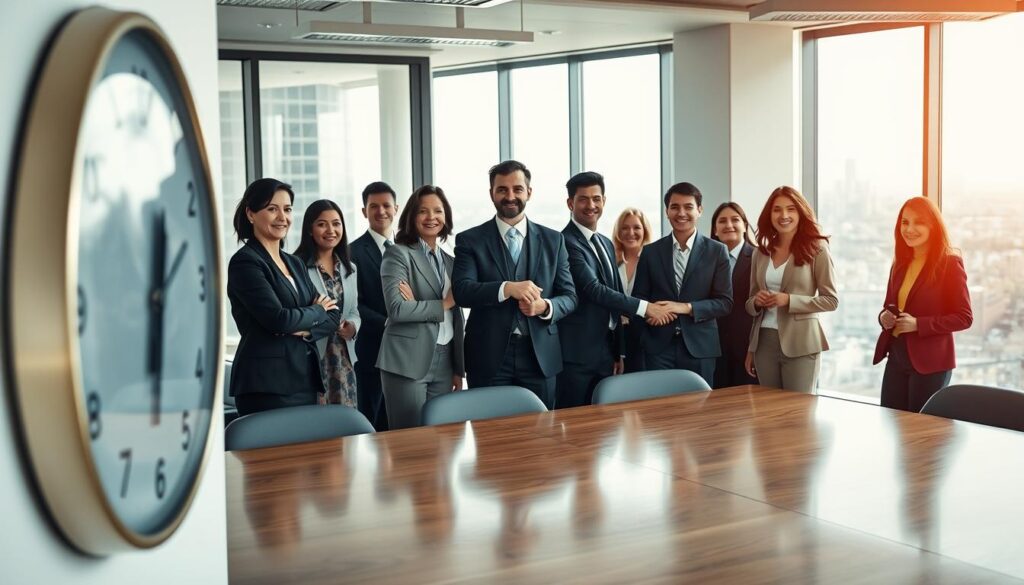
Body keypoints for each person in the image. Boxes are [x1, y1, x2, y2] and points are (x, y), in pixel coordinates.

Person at [452, 160, 577, 409]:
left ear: (529, 192)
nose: (510, 196)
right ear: (492, 194)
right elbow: (462, 291)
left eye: (517, 189)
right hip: (487, 356)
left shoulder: (555, 240)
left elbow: (570, 297)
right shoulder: (470, 240)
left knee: (541, 437)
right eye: (502, 190)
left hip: (540, 357)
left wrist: (545, 307)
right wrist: (506, 288)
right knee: (489, 436)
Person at [557, 172, 673, 408]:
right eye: (583, 199)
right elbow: (594, 289)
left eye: (596, 198)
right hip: (577, 355)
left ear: (604, 201)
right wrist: (646, 308)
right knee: (574, 426)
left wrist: (618, 351)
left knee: (603, 427)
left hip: (605, 352)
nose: (591, 205)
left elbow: (614, 297)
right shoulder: (564, 242)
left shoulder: (605, 243)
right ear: (570, 203)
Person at [226, 178, 340, 415]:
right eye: (272, 209)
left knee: (305, 451)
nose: (282, 217)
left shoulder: (295, 263)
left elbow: (334, 315)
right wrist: (316, 312)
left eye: (287, 209)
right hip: (265, 384)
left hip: (303, 378)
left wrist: (307, 328)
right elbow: (278, 319)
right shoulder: (246, 262)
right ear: (251, 213)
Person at [376, 185, 466, 429]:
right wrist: (444, 303)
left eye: (438, 211)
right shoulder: (398, 254)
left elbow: (456, 318)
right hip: (407, 359)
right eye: (423, 211)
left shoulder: (451, 261)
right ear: (411, 216)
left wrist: (459, 368)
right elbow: (397, 309)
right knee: (410, 439)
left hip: (445, 359)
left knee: (443, 437)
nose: (431, 217)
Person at [873, 197, 972, 412]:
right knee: (890, 423)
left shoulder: (949, 264)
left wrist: (919, 324)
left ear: (933, 226)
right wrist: (884, 317)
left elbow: (964, 317)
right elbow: (888, 306)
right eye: (905, 222)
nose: (909, 229)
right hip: (897, 356)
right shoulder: (899, 263)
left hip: (930, 361)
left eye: (918, 222)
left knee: (920, 432)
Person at [632, 182, 733, 387]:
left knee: (699, 412)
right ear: (667, 211)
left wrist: (686, 308)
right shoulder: (650, 252)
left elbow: (725, 302)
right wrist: (649, 314)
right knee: (660, 411)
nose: (681, 213)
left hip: (700, 347)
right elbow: (639, 298)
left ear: (700, 210)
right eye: (675, 207)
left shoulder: (717, 251)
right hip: (658, 347)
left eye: (688, 207)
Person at [744, 186, 838, 393]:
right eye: (777, 209)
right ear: (770, 215)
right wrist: (757, 302)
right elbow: (750, 303)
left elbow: (831, 300)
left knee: (799, 414)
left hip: (802, 343)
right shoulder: (761, 252)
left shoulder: (817, 249)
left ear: (801, 213)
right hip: (764, 343)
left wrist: (788, 300)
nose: (783, 215)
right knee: (768, 412)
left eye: (791, 209)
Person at [293, 199, 361, 408]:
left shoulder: (350, 269)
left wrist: (353, 326)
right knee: (316, 426)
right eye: (322, 224)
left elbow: (354, 311)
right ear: (309, 230)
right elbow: (297, 313)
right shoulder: (297, 267)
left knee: (345, 427)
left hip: (343, 358)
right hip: (313, 357)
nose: (331, 230)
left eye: (336, 223)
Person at [349, 181, 399, 431]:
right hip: (372, 351)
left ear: (396, 208)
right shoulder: (351, 253)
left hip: (407, 353)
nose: (381, 211)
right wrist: (390, 323)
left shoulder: (410, 249)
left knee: (402, 424)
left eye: (386, 205)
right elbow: (354, 304)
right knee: (372, 424)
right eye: (374, 206)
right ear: (364, 211)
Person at [709, 201, 759, 388]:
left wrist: (754, 348)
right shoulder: (706, 260)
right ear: (715, 229)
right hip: (714, 347)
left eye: (735, 220)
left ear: (745, 226)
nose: (728, 225)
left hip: (747, 346)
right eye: (722, 221)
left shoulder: (758, 258)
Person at [612, 207, 654, 373]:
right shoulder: (610, 260)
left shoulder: (654, 260)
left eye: (636, 227)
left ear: (645, 231)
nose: (631, 232)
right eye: (625, 227)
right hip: (616, 336)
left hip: (644, 336)